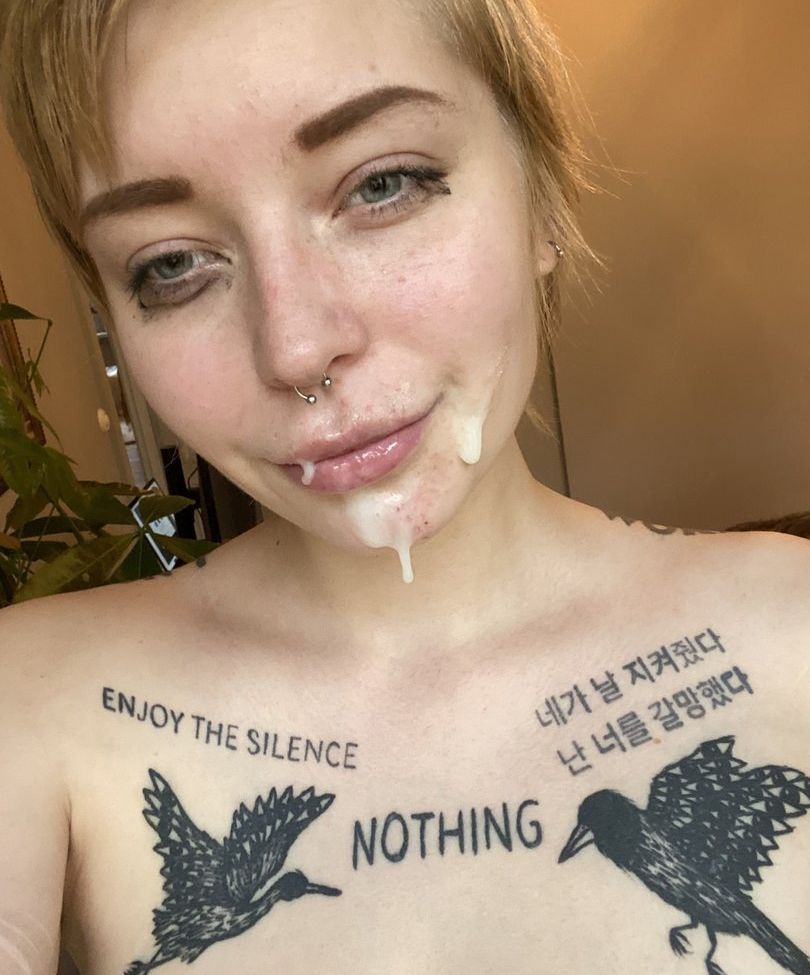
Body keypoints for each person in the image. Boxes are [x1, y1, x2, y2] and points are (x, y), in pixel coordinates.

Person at [1, 2, 808, 974]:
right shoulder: (29, 700)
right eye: (171, 264)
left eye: (382, 184)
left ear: (543, 197)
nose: (297, 348)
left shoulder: (791, 624)